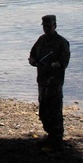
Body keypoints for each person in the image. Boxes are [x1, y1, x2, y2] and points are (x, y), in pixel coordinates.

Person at [29, 14, 70, 146]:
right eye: (45, 26)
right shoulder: (41, 40)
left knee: (55, 109)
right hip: (41, 80)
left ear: (55, 26)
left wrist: (54, 65)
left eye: (49, 26)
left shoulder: (62, 42)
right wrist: (32, 60)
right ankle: (49, 133)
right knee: (43, 109)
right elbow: (32, 54)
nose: (46, 29)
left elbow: (64, 62)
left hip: (55, 82)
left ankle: (57, 137)